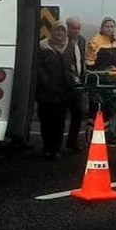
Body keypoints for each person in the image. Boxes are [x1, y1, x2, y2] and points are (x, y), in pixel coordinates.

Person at [35, 23, 75, 160]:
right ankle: (47, 147)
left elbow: (73, 66)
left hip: (63, 92)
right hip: (46, 92)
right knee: (46, 121)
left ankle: (56, 149)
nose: (59, 33)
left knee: (60, 121)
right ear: (51, 31)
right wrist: (47, 83)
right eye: (57, 30)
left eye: (62, 31)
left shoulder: (69, 46)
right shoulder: (42, 46)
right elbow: (38, 68)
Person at [63, 16, 87, 151]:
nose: (76, 31)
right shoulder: (65, 42)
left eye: (78, 28)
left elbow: (82, 59)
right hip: (66, 83)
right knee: (61, 116)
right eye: (73, 28)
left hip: (78, 82)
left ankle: (72, 142)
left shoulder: (82, 41)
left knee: (78, 114)